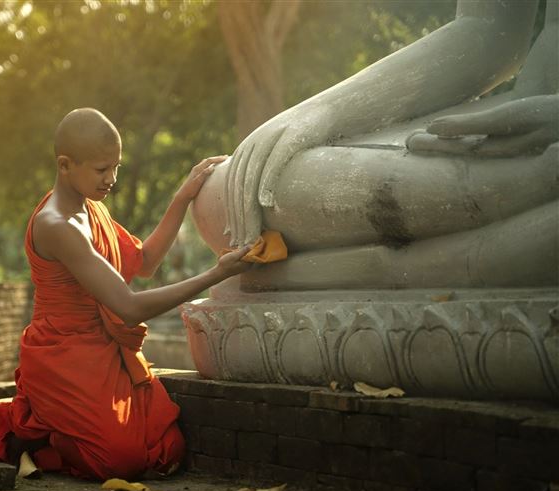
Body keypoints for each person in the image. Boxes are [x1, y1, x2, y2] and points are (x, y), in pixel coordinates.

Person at [0, 108, 252, 480]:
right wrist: (217, 274)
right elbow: (127, 306)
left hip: (104, 351)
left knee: (166, 449)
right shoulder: (56, 224)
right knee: (118, 462)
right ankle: (29, 432)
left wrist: (183, 197)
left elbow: (145, 262)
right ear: (65, 165)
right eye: (101, 169)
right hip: (63, 357)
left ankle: (45, 427)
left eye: (116, 167)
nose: (112, 179)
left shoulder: (92, 209)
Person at [192, 0, 557, 290]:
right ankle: (459, 255)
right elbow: (489, 34)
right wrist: (323, 112)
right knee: (224, 193)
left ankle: (419, 264)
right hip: (507, 120)